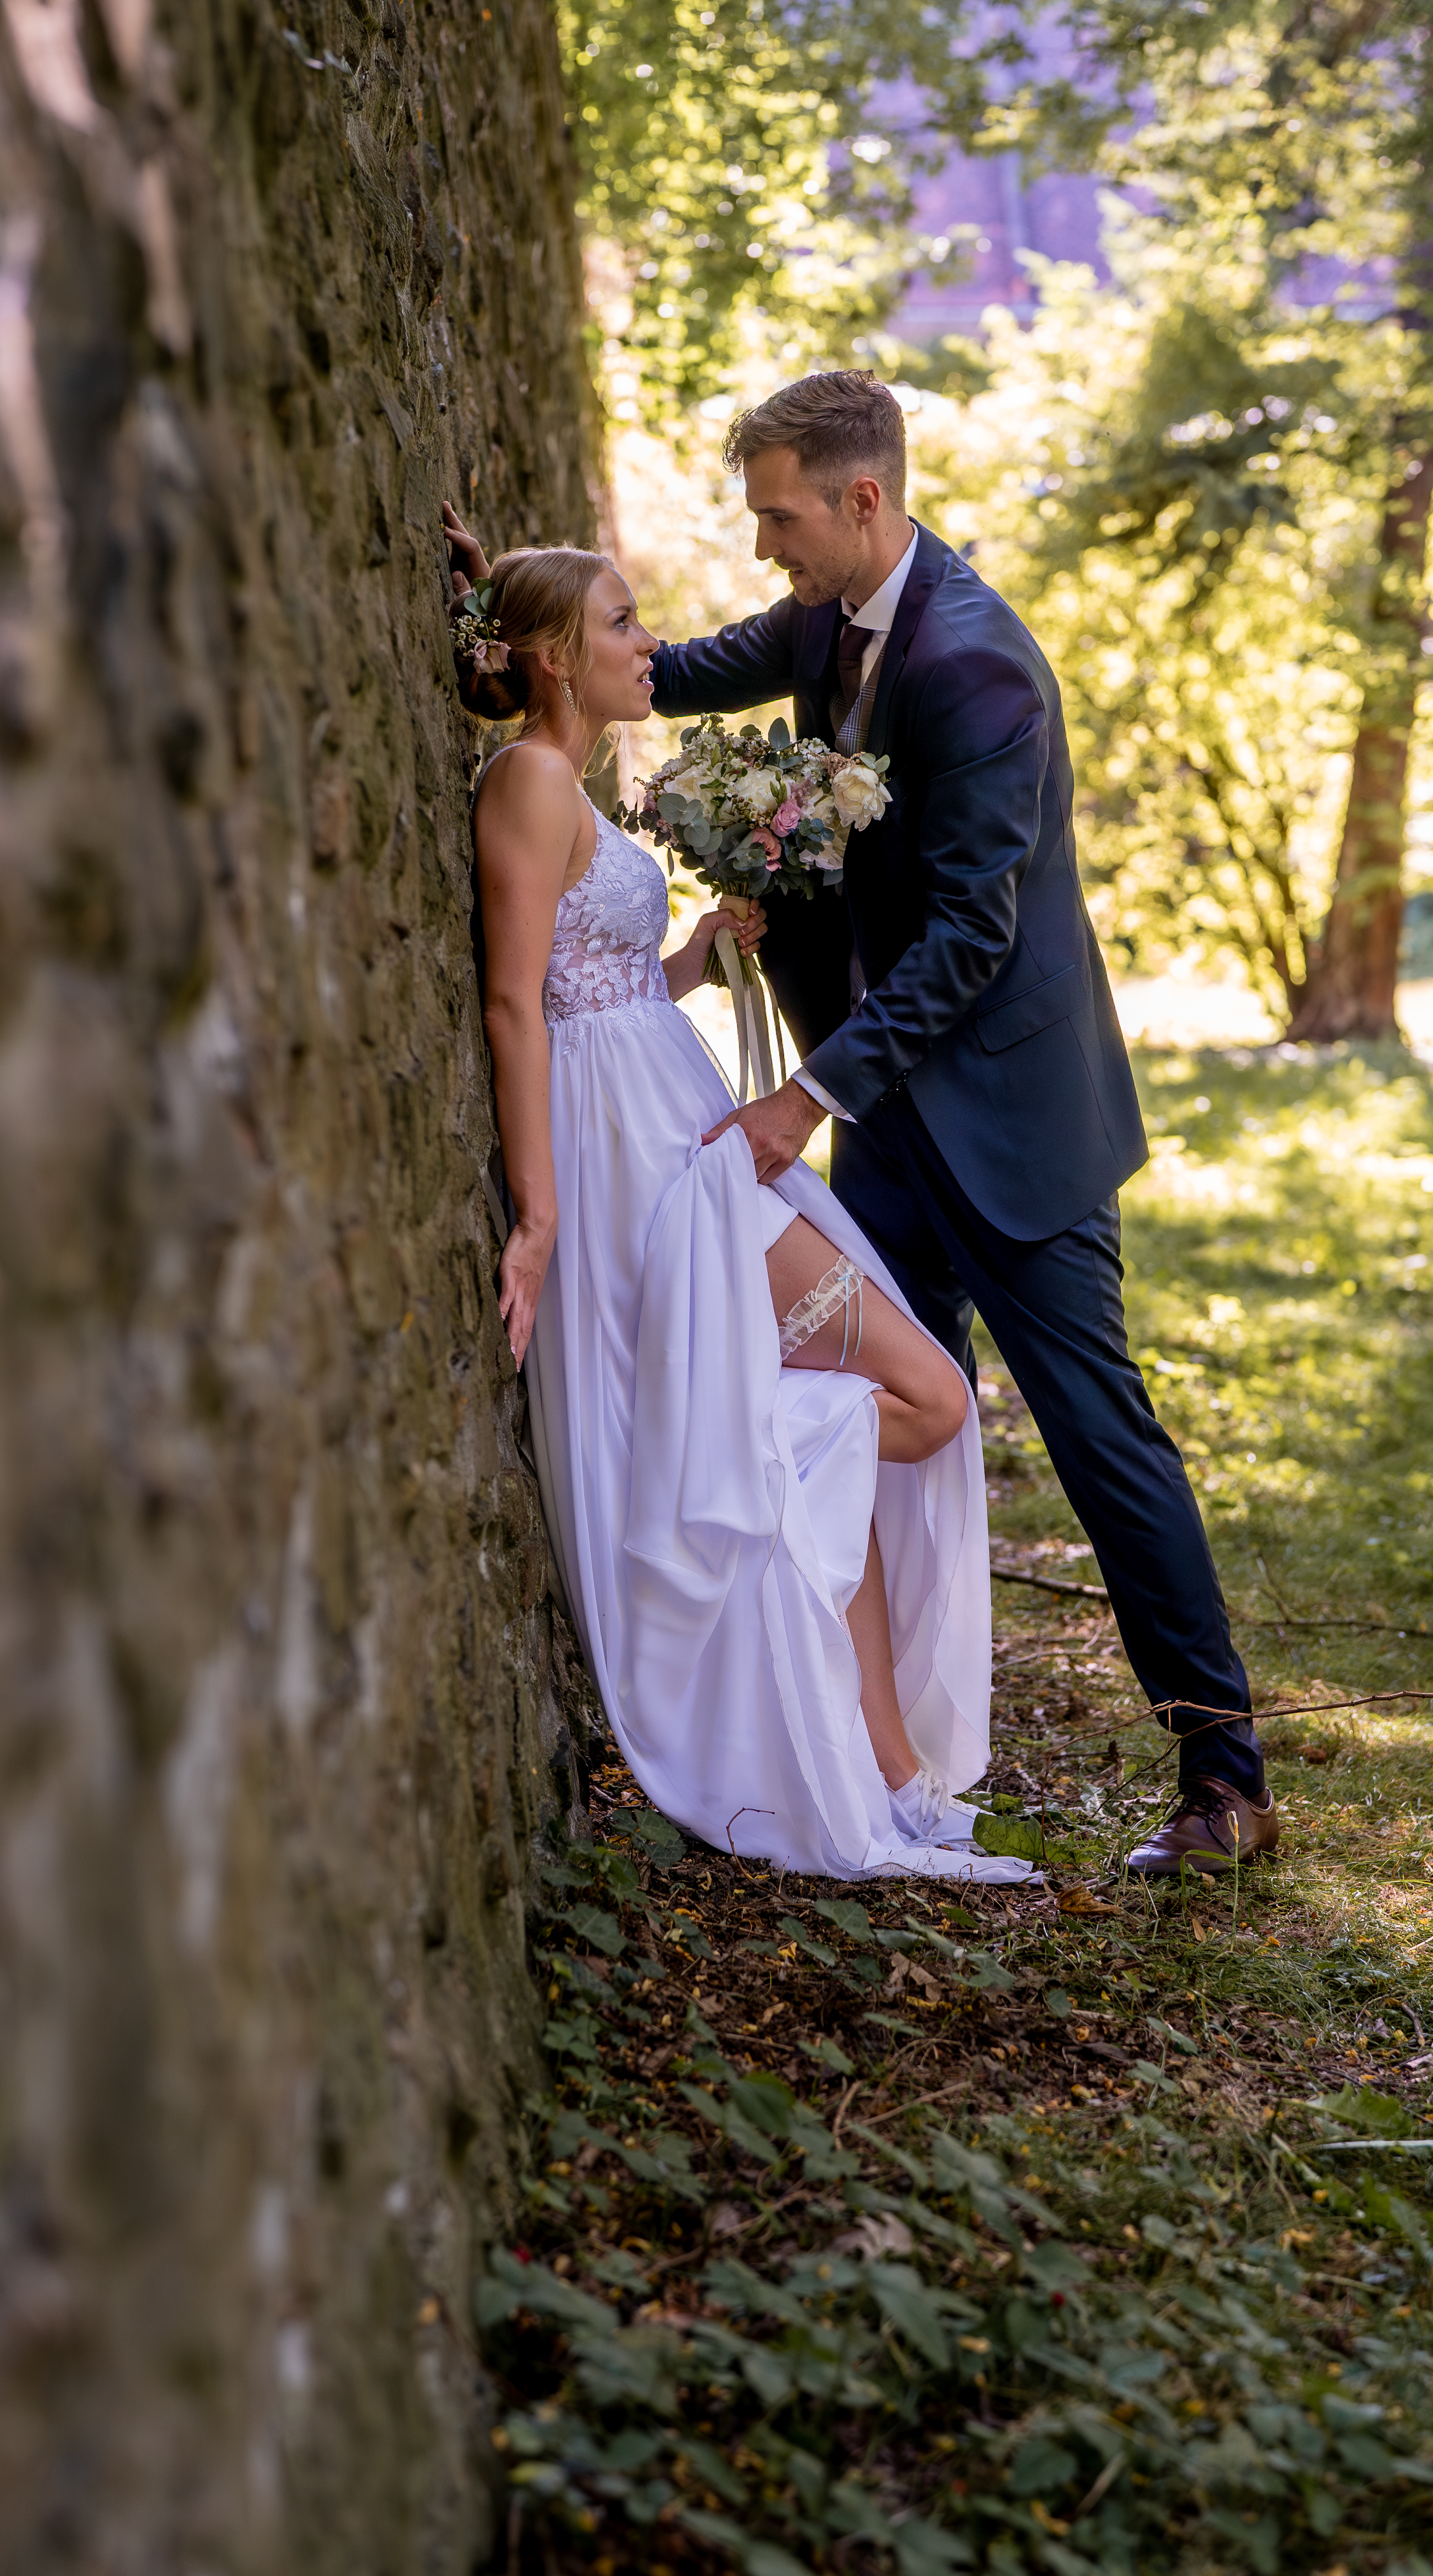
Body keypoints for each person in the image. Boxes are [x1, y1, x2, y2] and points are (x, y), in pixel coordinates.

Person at [639, 372, 1277, 1883]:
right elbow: (665, 668)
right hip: (895, 1124)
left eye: (781, 517)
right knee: (883, 1422)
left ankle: (1227, 1777)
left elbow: (972, 943)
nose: (763, 551)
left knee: (1101, 1437)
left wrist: (807, 1094)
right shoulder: (822, 619)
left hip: (1013, 1125)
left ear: (864, 501)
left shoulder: (979, 666)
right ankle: (881, 1760)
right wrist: (505, 630)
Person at [440, 517, 1037, 1883]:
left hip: (677, 1122)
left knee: (845, 1428)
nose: (650, 644)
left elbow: (601, 995)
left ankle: (890, 1770)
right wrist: (535, 1215)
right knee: (928, 1402)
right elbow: (514, 1005)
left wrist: (695, 964)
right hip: (642, 1170)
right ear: (548, 658)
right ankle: (871, 1765)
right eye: (620, 625)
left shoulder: (569, 782)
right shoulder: (529, 783)